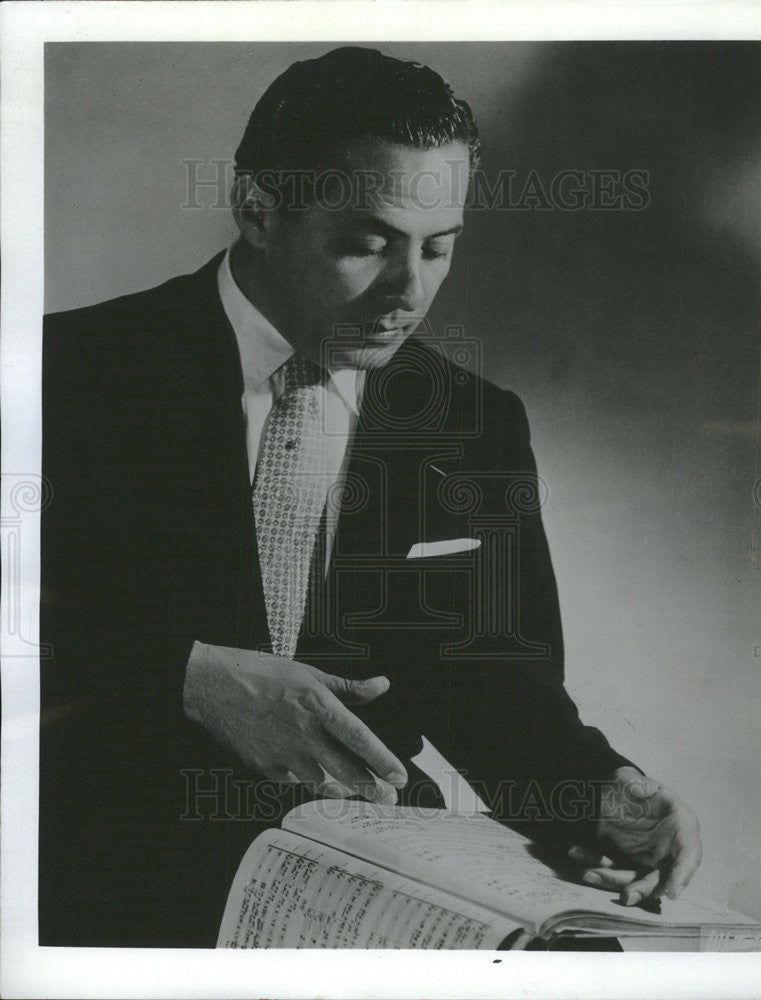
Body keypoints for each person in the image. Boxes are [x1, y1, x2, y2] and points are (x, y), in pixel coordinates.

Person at [39, 46, 701, 948]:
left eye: (439, 248)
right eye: (368, 243)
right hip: (102, 865)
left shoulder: (476, 423)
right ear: (259, 211)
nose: (409, 291)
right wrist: (187, 677)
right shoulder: (62, 374)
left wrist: (604, 795)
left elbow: (499, 690)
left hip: (370, 872)